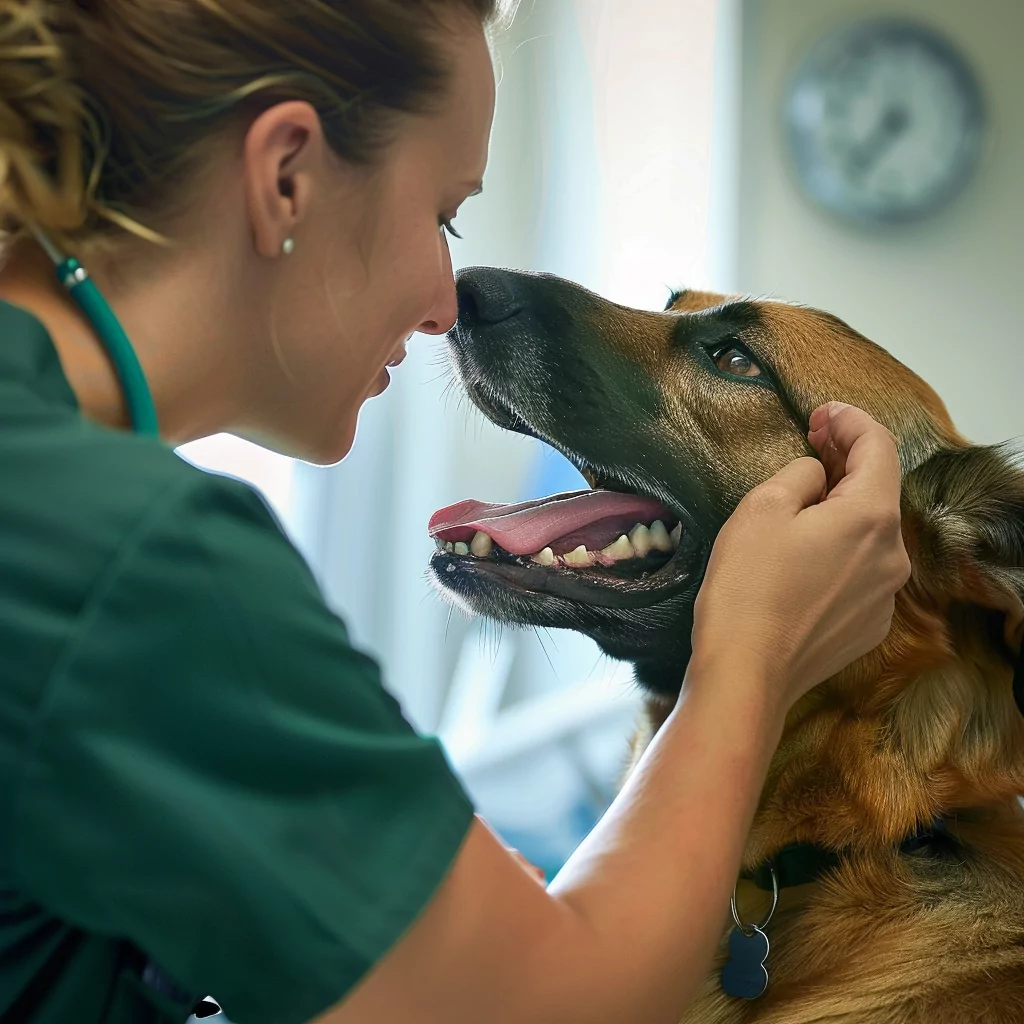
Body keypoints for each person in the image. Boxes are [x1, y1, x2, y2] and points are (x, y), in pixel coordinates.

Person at [0, 1, 911, 1022]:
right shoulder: (130, 559)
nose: (446, 300)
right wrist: (751, 657)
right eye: (442, 214)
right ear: (285, 174)